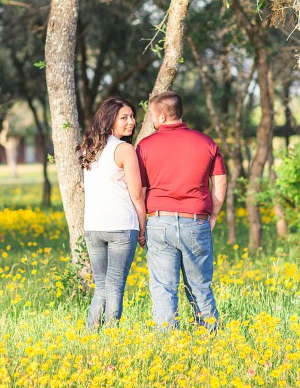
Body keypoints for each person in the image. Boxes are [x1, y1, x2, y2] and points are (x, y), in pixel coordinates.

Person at [136, 91, 227, 332]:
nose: (152, 121)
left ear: (163, 116)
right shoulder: (206, 142)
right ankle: (209, 335)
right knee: (200, 285)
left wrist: (142, 226)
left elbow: (141, 190)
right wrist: (214, 215)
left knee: (163, 287)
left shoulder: (145, 146)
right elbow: (220, 181)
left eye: (153, 116)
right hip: (195, 222)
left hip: (159, 222)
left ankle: (168, 342)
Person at [78, 97, 147, 329]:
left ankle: (91, 334)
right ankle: (111, 338)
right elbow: (137, 195)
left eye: (132, 117)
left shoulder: (89, 147)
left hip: (94, 227)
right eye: (124, 118)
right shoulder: (125, 149)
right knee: (115, 286)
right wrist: (142, 227)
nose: (131, 122)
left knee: (102, 287)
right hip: (120, 225)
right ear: (110, 120)